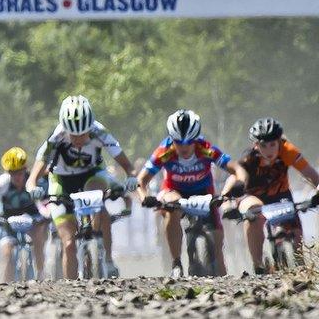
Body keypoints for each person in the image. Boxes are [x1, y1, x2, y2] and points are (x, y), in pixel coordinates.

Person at [25, 95, 137, 279]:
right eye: (73, 134)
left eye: (83, 134)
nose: (78, 139)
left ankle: (108, 260)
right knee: (69, 244)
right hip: (61, 180)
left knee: (99, 201)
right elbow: (36, 171)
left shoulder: (99, 131)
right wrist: (32, 186)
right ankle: (71, 291)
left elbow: (127, 165)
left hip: (91, 174)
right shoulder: (57, 136)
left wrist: (131, 177)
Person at [136, 109, 248, 277]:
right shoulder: (164, 151)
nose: (184, 147)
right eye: (178, 142)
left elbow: (237, 168)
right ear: (171, 139)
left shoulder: (206, 149)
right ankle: (176, 263)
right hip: (175, 191)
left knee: (217, 249)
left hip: (204, 192)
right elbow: (141, 181)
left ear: (196, 138)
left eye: (189, 142)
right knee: (171, 207)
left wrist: (240, 184)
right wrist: (144, 197)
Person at [224, 117, 319, 274]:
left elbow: (312, 176)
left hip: (280, 194)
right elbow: (234, 177)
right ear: (256, 145)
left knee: (295, 230)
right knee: (254, 214)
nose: (269, 150)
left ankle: (301, 266)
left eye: (273, 144)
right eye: (263, 145)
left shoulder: (289, 151)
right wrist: (227, 202)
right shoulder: (249, 158)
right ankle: (258, 265)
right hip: (253, 196)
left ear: (280, 142)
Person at [0, 147, 48, 282]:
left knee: (38, 237)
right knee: (8, 255)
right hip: (8, 221)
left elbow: (47, 201)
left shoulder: (35, 180)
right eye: (12, 173)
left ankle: (41, 275)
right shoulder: (0, 183)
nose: (17, 177)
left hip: (32, 218)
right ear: (7, 172)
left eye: (20, 172)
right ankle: (6, 286)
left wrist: (47, 213)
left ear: (25, 169)